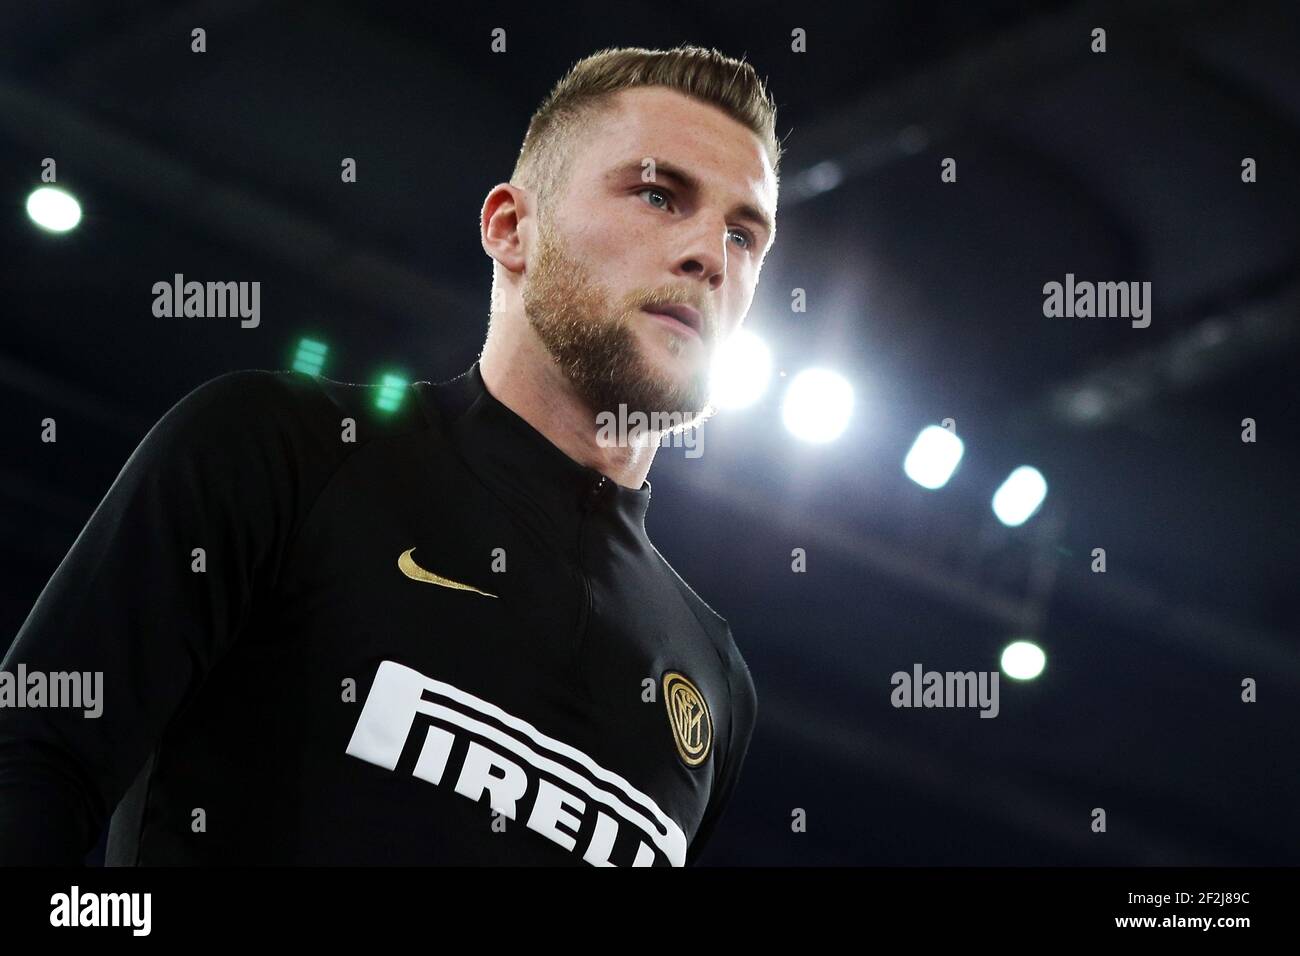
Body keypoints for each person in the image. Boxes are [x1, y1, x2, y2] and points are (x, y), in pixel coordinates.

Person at [0, 43, 780, 866]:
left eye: (744, 233)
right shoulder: (278, 449)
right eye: (658, 194)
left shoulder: (715, 679)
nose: (710, 256)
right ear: (513, 229)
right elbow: (32, 765)